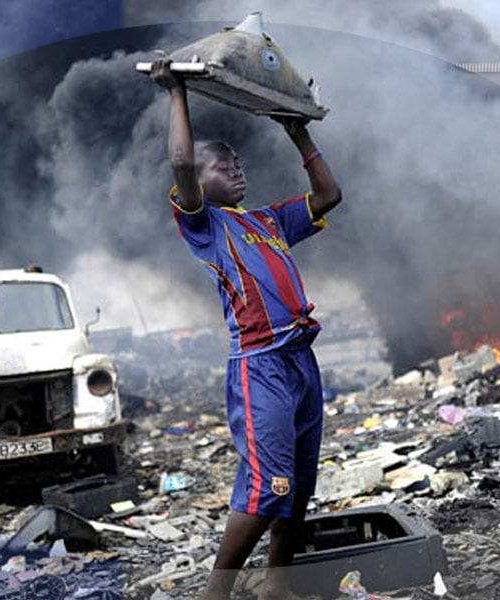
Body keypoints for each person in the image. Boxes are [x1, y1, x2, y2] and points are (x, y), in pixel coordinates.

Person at [149, 58, 343, 600]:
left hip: (301, 361)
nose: (234, 170)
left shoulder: (267, 221)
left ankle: (277, 585)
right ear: (199, 182)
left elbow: (328, 196)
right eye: (221, 165)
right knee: (268, 486)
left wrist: (298, 131)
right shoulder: (204, 224)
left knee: (298, 486)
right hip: (260, 366)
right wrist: (176, 92)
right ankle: (217, 593)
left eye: (236, 163)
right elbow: (182, 164)